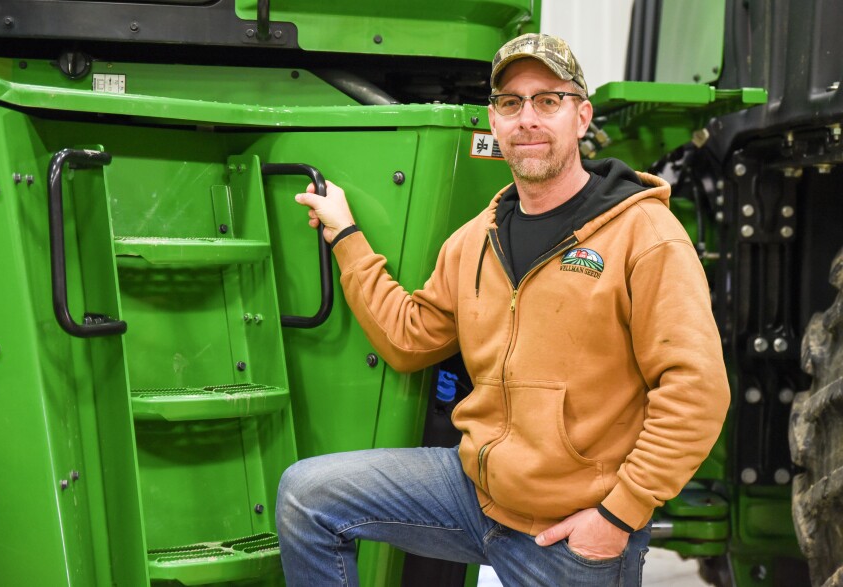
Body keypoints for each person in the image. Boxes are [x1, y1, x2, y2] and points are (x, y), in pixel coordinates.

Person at [276, 33, 730, 586]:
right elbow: (409, 338)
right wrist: (346, 237)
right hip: (474, 495)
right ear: (494, 122)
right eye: (511, 103)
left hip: (571, 532)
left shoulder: (646, 235)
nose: (527, 119)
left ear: (581, 116)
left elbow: (697, 391)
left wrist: (619, 515)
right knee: (307, 497)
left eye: (548, 100)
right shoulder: (475, 240)